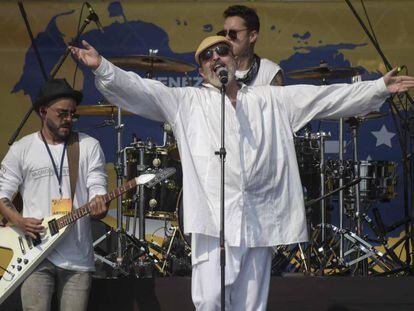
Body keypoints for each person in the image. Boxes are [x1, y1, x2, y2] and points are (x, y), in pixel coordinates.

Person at [69, 37, 414, 310]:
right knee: (209, 300)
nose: (216, 57)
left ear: (235, 60)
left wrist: (378, 88)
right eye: (208, 56)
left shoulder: (269, 100)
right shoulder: (186, 101)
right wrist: (102, 67)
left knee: (251, 304)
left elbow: (325, 98)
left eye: (223, 51)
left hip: (260, 215)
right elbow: (140, 90)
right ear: (202, 70)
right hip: (214, 218)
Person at [0, 79, 108, 311]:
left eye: (72, 114)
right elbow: (2, 193)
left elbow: (97, 184)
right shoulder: (22, 149)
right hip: (35, 255)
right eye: (62, 113)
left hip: (77, 258)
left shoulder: (88, 146)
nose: (68, 119)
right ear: (43, 111)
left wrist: (99, 202)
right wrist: (19, 221)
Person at [217, 4, 284, 86]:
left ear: (252, 36)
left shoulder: (269, 72)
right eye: (223, 33)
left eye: (232, 33)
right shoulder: (216, 70)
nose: (227, 38)